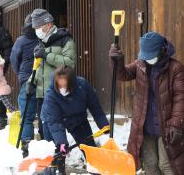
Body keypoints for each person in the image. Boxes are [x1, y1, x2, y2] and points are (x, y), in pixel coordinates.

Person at [109, 31, 184, 175]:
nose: (147, 59)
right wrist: (117, 61)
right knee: (150, 163)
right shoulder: (140, 65)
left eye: (151, 56)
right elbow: (122, 74)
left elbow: (180, 97)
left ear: (162, 51)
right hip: (145, 125)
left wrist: (176, 123)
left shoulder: (176, 69)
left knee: (166, 164)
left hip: (166, 125)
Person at [41, 66, 109, 174]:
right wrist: (61, 143)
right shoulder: (51, 95)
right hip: (52, 121)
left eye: (65, 85)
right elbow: (55, 123)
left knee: (90, 149)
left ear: (72, 83)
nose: (62, 88)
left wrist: (104, 124)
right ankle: (56, 171)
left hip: (78, 119)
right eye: (60, 85)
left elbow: (95, 107)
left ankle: (96, 170)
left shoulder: (83, 86)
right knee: (55, 154)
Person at [28, 8, 77, 139]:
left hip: (57, 92)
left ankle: (59, 154)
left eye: (39, 26)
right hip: (41, 94)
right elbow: (37, 68)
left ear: (49, 24)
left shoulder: (64, 39)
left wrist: (46, 55)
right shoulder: (40, 44)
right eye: (35, 28)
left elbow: (69, 63)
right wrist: (31, 82)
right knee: (43, 130)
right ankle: (47, 155)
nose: (37, 30)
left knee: (56, 129)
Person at [10, 14, 39, 157]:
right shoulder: (44, 37)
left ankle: (27, 145)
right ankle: (47, 143)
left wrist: (21, 74)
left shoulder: (21, 40)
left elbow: (14, 59)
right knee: (47, 115)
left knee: (27, 116)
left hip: (27, 80)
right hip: (45, 80)